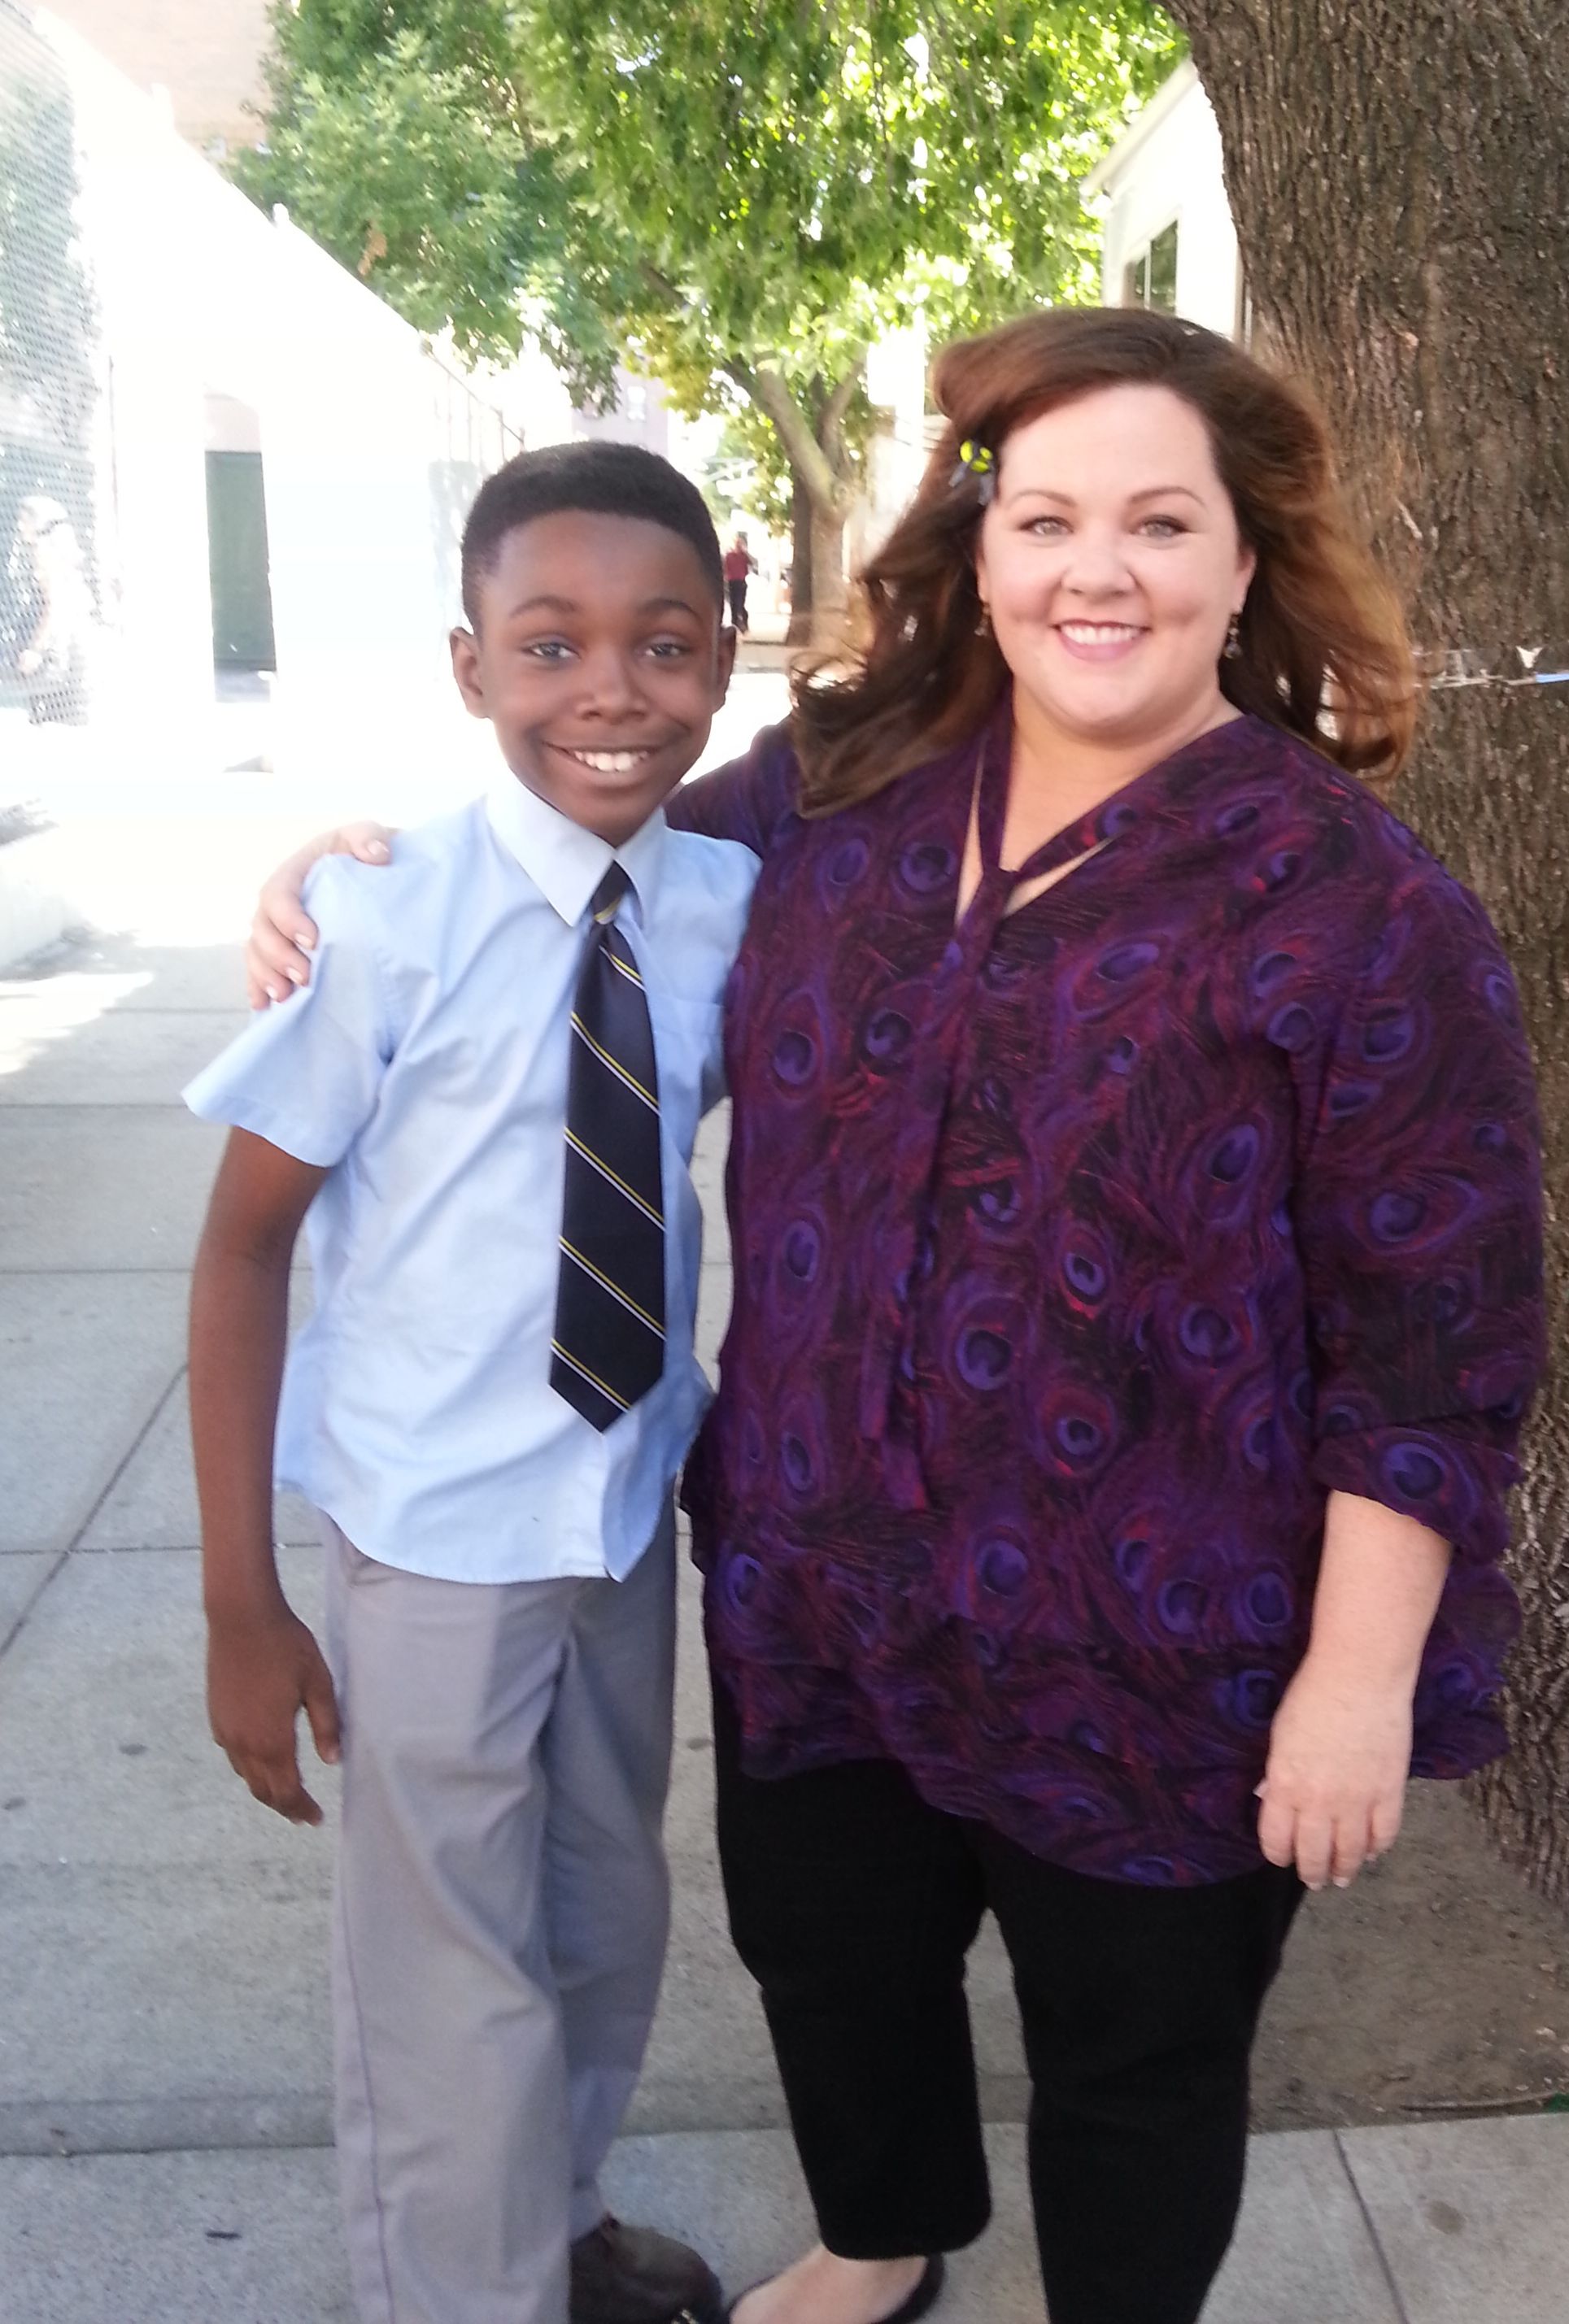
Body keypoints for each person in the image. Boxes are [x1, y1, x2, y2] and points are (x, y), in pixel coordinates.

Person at [243, 310, 1545, 2324]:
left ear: (1243, 560)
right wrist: (338, 872)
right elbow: (580, 843)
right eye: (1047, 518)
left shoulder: (1358, 908)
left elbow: (1431, 1347)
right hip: (823, 1598)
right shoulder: (837, 789)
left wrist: (1355, 1682)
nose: (1095, 570)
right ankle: (878, 2243)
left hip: (1159, 1650)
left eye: (1156, 522)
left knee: (1135, 2057)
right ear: (981, 542)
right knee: (833, 1968)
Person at [185, 441, 761, 2324]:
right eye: (549, 644)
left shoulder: (725, 905)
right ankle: (465, 2294)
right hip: (430, 1543)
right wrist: (241, 1602)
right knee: (447, 1984)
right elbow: (241, 1253)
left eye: (662, 643)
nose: (611, 690)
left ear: (724, 650)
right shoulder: (378, 921)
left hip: (616, 1518)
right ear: (469, 666)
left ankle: (553, 2225)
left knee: (602, 1916)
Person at [722, 531, 756, 633]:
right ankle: (734, 624)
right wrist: (725, 576)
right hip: (732, 582)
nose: (738, 546)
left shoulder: (744, 556)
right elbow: (725, 567)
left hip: (741, 582)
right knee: (733, 604)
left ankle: (744, 623)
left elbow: (753, 562)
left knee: (741, 604)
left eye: (740, 544)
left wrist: (746, 552)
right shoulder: (729, 555)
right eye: (737, 544)